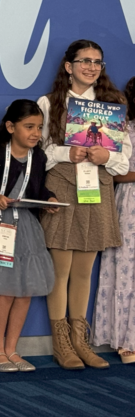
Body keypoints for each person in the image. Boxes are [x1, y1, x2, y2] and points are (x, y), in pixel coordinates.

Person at [37, 40, 130, 370]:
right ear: (68, 66)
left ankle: (81, 339)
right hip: (63, 186)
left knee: (83, 272)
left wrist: (108, 156)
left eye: (97, 62)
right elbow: (39, 151)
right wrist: (67, 152)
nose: (91, 67)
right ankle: (61, 343)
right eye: (84, 61)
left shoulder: (112, 104)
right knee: (60, 271)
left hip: (97, 189)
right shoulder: (50, 103)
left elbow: (124, 160)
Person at [0, 99, 59, 372]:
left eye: (39, 127)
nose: (35, 133)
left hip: (27, 228)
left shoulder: (39, 157)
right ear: (10, 126)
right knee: (5, 291)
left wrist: (49, 198)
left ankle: (12, 349)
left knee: (26, 291)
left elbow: (36, 190)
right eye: (29, 126)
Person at [91, 75, 135, 365]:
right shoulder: (125, 129)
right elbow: (115, 173)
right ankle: (125, 339)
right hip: (129, 201)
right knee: (126, 267)